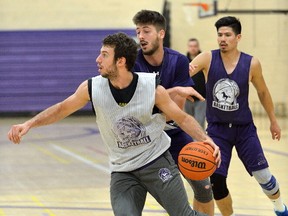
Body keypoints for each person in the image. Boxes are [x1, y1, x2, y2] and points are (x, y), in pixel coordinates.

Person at [8, 32, 221, 216]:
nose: (97, 59)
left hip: (156, 161)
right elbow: (62, 108)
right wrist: (29, 124)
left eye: (104, 55)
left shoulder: (151, 88)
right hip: (123, 171)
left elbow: (182, 118)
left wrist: (207, 140)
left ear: (120, 61)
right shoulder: (91, 87)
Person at [189, 16, 287, 216]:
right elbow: (182, 73)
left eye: (227, 35)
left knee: (263, 176)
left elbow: (263, 92)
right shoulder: (207, 58)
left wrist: (273, 121)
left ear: (238, 37)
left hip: (244, 130)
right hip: (217, 130)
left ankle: (280, 208)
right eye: (219, 35)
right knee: (216, 181)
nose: (222, 38)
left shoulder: (251, 63)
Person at [132, 10, 215, 216]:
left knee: (204, 187)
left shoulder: (177, 61)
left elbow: (173, 113)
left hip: (174, 133)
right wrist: (173, 91)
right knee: (140, 197)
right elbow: (135, 106)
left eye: (146, 31)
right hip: (144, 140)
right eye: (138, 31)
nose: (141, 36)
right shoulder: (132, 62)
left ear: (161, 34)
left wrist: (163, 98)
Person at [185, 38, 207, 129]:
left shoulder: (204, 60)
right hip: (187, 98)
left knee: (199, 123)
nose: (193, 48)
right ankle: (189, 143)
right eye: (191, 46)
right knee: (188, 123)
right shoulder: (184, 61)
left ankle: (198, 143)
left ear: (198, 47)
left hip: (201, 98)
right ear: (188, 47)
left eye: (195, 46)